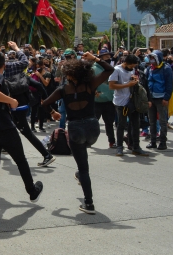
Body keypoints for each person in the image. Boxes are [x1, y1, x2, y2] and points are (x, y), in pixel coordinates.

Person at [43, 52, 114, 215]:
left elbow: (45, 103)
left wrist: (53, 112)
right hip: (92, 128)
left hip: (75, 128)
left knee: (83, 168)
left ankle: (89, 204)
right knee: (85, 152)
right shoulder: (91, 85)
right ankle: (81, 178)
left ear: (69, 74)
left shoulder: (63, 89)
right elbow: (109, 69)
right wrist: (95, 59)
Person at [0, 51, 44, 223]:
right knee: (20, 160)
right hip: (5, 128)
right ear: (4, 65)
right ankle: (32, 191)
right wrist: (11, 100)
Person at [109, 54, 143, 156]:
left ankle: (136, 146)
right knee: (121, 125)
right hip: (120, 102)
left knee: (135, 125)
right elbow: (111, 85)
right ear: (126, 63)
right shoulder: (116, 70)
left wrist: (134, 80)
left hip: (132, 101)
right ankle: (119, 147)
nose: (133, 68)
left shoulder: (131, 70)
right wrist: (127, 85)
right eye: (132, 65)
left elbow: (131, 82)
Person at [146, 51, 173, 150]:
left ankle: (163, 142)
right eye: (150, 57)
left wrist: (166, 97)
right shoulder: (149, 68)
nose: (152, 60)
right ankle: (153, 141)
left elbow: (170, 84)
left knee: (162, 121)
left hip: (161, 98)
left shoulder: (166, 68)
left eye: (154, 57)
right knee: (152, 121)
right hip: (151, 98)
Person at [94, 48, 116, 148]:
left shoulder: (111, 68)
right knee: (93, 123)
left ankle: (112, 141)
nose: (109, 58)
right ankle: (89, 140)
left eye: (109, 56)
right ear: (101, 57)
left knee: (109, 123)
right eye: (106, 56)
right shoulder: (93, 69)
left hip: (109, 100)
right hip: (96, 101)